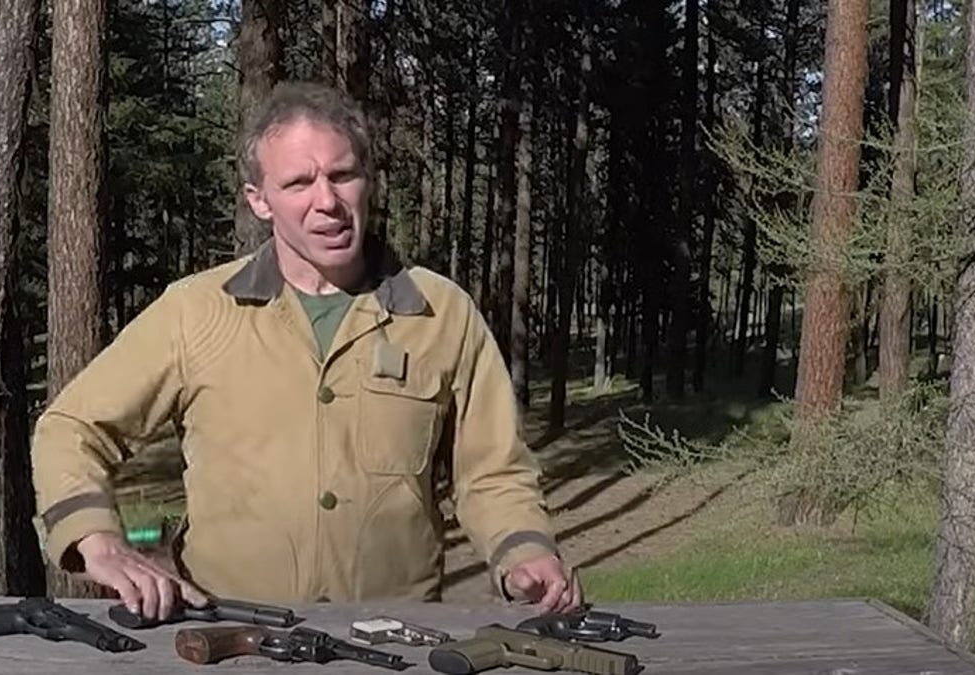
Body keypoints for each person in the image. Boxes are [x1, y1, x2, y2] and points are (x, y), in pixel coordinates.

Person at [30, 81, 581, 621]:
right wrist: (95, 538)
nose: (328, 202)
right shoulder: (194, 313)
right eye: (298, 183)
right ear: (259, 201)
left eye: (343, 175)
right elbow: (71, 427)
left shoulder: (441, 315)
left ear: (368, 181)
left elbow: (491, 472)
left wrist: (524, 552)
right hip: (229, 638)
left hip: (394, 640)